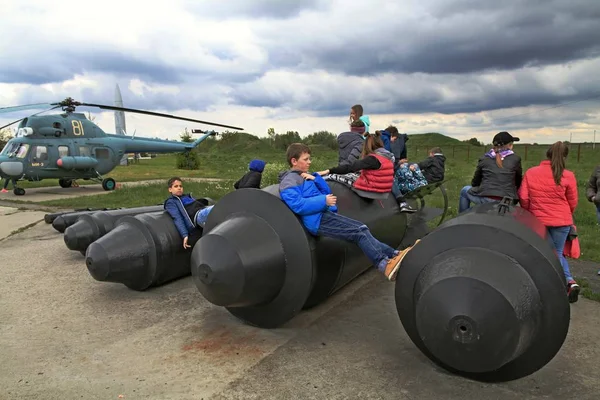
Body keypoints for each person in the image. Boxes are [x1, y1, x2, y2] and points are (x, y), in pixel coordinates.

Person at [278, 142, 420, 281]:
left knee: (362, 229)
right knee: (359, 232)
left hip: (324, 214)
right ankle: (384, 265)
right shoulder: (289, 181)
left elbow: (326, 191)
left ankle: (395, 254)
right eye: (306, 159)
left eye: (310, 158)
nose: (309, 162)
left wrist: (316, 179)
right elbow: (297, 204)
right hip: (316, 220)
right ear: (294, 161)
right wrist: (323, 201)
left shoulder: (305, 176)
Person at [518, 141, 580, 303]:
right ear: (565, 156)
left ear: (548, 154)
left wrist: (530, 212)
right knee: (558, 253)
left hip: (538, 220)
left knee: (540, 253)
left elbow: (523, 197)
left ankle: (546, 286)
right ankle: (569, 282)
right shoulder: (568, 175)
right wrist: (565, 214)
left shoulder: (532, 173)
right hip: (562, 221)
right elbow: (573, 201)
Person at [458, 131, 522, 213]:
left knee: (464, 190)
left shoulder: (484, 158)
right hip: (507, 200)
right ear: (510, 146)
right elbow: (518, 181)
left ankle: (462, 217)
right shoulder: (516, 159)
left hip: (486, 198)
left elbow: (475, 182)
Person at [318, 132, 396, 195]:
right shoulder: (388, 157)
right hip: (384, 190)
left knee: (334, 176)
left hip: (371, 189)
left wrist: (329, 171)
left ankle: (318, 180)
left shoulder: (372, 159)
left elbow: (350, 167)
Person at [164, 177, 214, 249]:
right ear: (170, 189)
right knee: (220, 206)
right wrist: (185, 235)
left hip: (202, 210)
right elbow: (177, 218)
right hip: (198, 216)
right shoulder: (171, 202)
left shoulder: (187, 197)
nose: (179, 188)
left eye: (180, 186)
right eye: (176, 186)